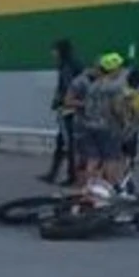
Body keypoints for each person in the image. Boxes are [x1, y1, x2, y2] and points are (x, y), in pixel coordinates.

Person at [77, 52, 129, 186]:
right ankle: (110, 189)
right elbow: (117, 108)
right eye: (120, 67)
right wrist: (124, 121)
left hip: (89, 126)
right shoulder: (115, 86)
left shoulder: (93, 86)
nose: (121, 70)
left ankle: (90, 189)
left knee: (93, 160)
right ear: (114, 68)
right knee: (110, 159)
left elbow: (87, 107)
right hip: (108, 127)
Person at [42, 39, 85, 184]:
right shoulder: (76, 64)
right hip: (75, 108)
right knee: (63, 142)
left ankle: (70, 175)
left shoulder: (66, 66)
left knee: (68, 143)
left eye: (54, 50)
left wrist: (59, 101)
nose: (52, 53)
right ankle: (55, 173)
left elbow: (67, 86)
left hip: (68, 109)